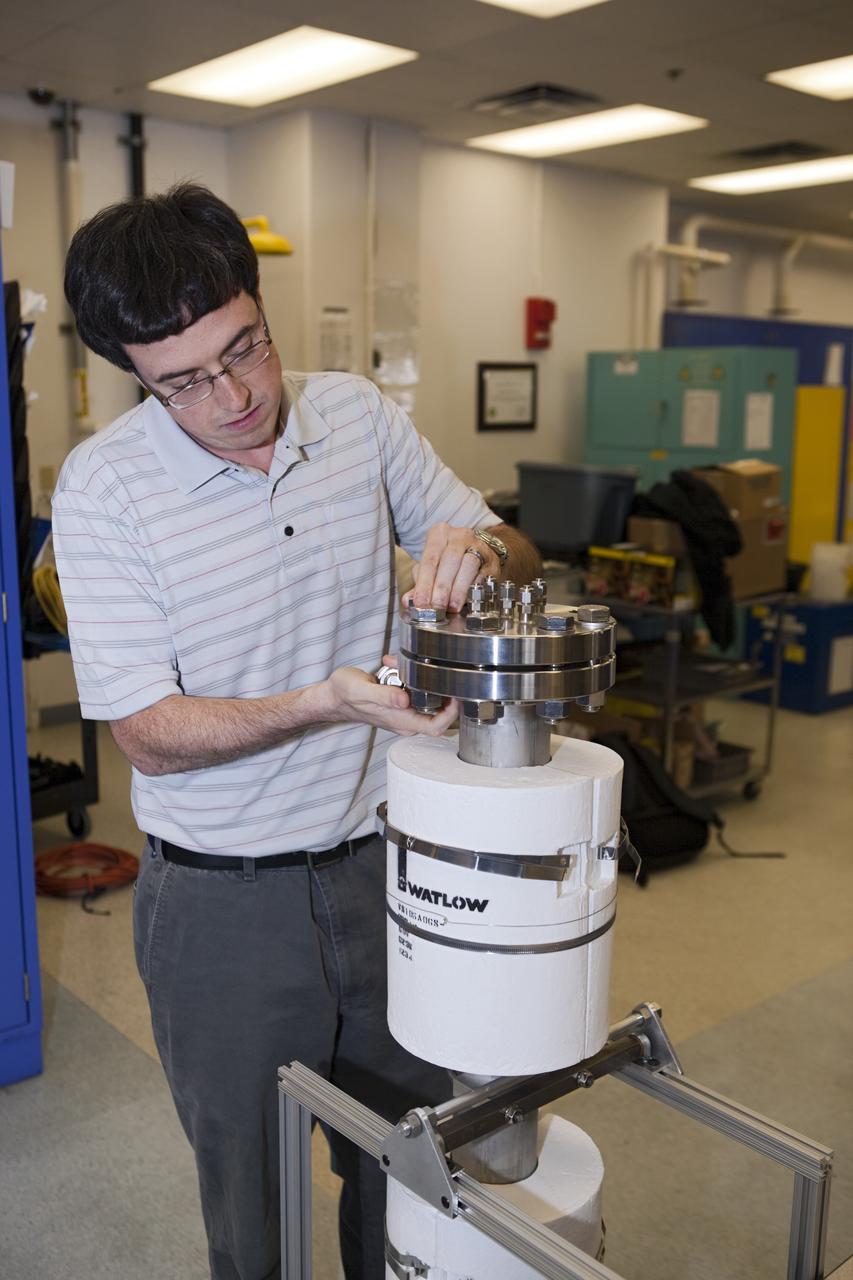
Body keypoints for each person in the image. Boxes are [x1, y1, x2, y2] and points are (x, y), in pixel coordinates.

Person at [53, 182, 541, 1280]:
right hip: (222, 911)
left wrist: (478, 551)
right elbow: (146, 730)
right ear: (133, 372)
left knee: (408, 1168)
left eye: (246, 349)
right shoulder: (105, 490)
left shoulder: (356, 415)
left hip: (385, 875)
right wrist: (322, 699)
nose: (232, 395)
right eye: (183, 380)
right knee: (253, 1199)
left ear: (260, 304)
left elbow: (512, 547)